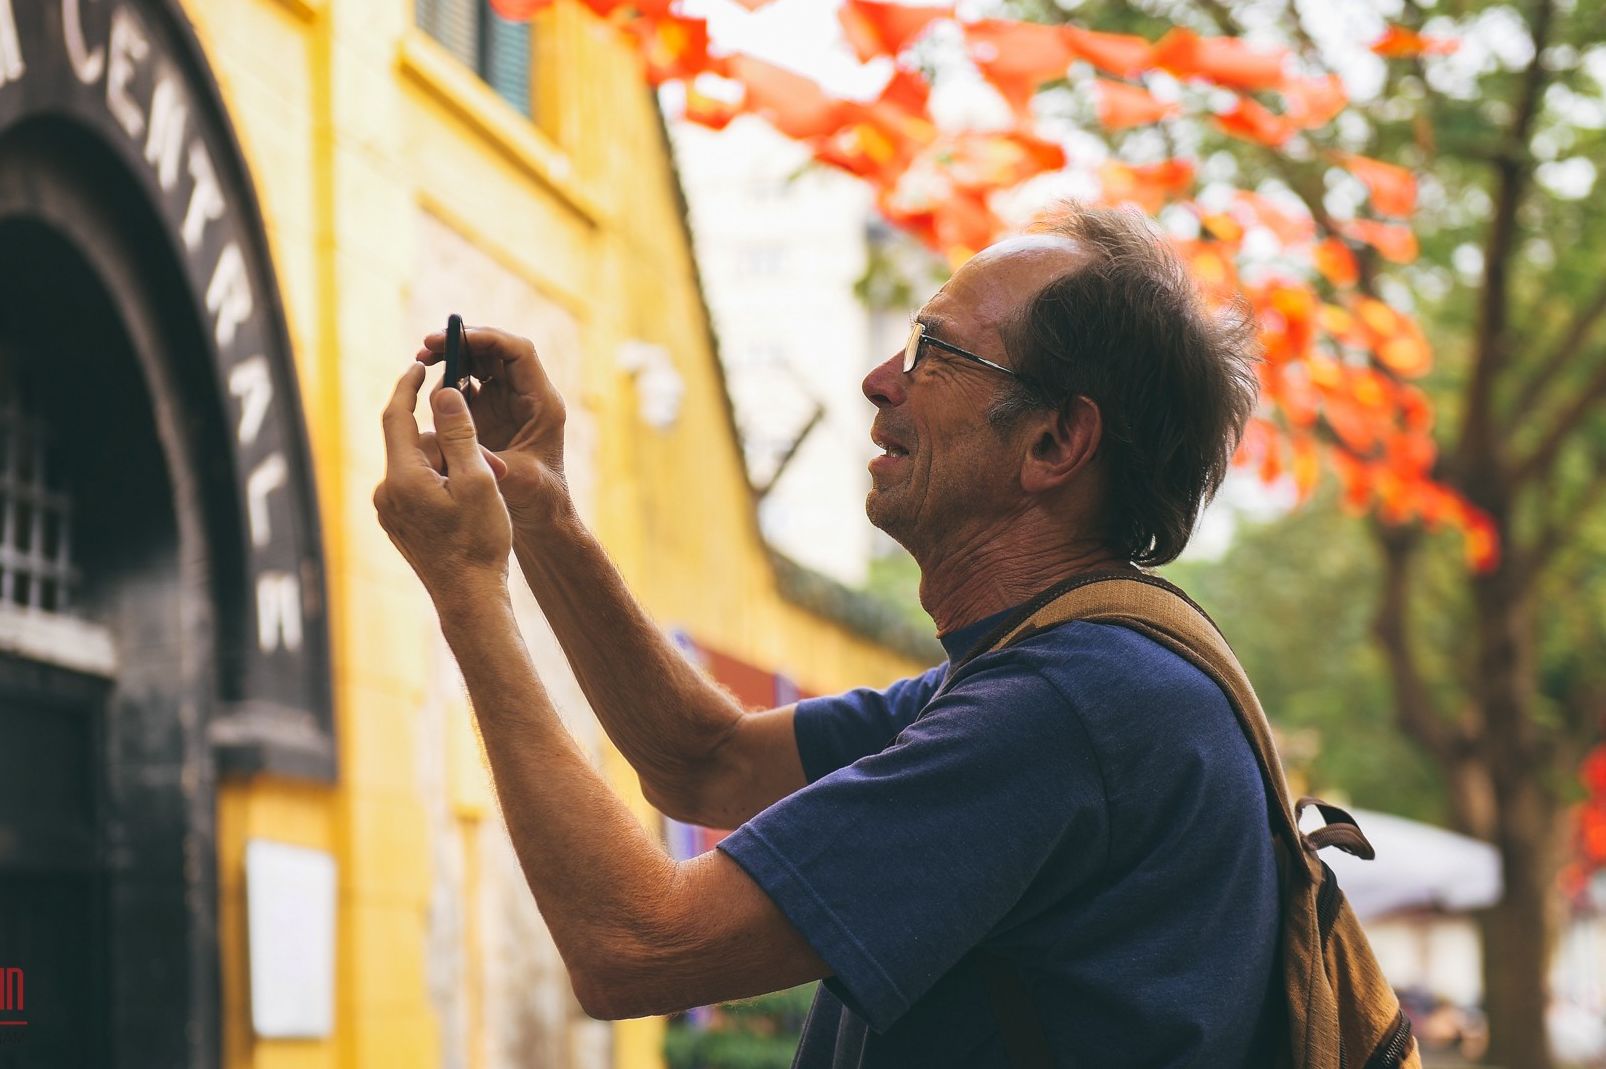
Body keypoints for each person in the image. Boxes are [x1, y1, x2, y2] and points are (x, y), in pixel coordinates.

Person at [374, 202, 1278, 1067]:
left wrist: (466, 588)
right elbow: (706, 761)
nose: (881, 378)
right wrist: (544, 510)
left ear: (1053, 443)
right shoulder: (1050, 674)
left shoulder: (1069, 707)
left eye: (936, 352)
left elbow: (635, 946)